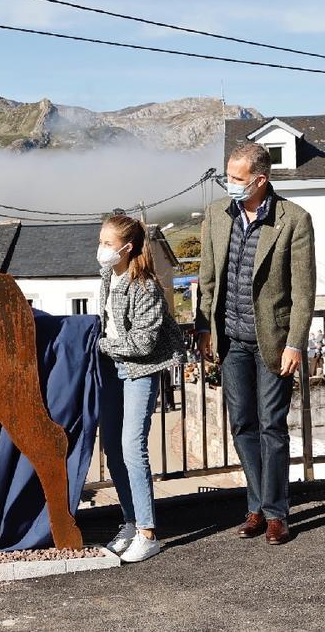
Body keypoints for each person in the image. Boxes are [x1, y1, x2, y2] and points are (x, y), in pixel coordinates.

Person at [196, 143, 315, 545]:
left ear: (260, 180)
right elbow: (208, 277)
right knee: (242, 424)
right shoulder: (215, 215)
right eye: (228, 176)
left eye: (236, 179)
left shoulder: (294, 219)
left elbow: (303, 291)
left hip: (273, 341)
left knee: (272, 427)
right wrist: (204, 328)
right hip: (231, 339)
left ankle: (277, 513)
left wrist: (296, 343)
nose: (229, 184)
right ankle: (256, 507)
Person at [96, 215, 185, 563]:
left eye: (107, 243)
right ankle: (131, 522)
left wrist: (102, 345)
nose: (101, 249)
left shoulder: (145, 286)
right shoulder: (108, 276)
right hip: (113, 368)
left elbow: (145, 342)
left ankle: (148, 533)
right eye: (100, 241)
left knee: (133, 447)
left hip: (141, 369)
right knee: (113, 449)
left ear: (126, 248)